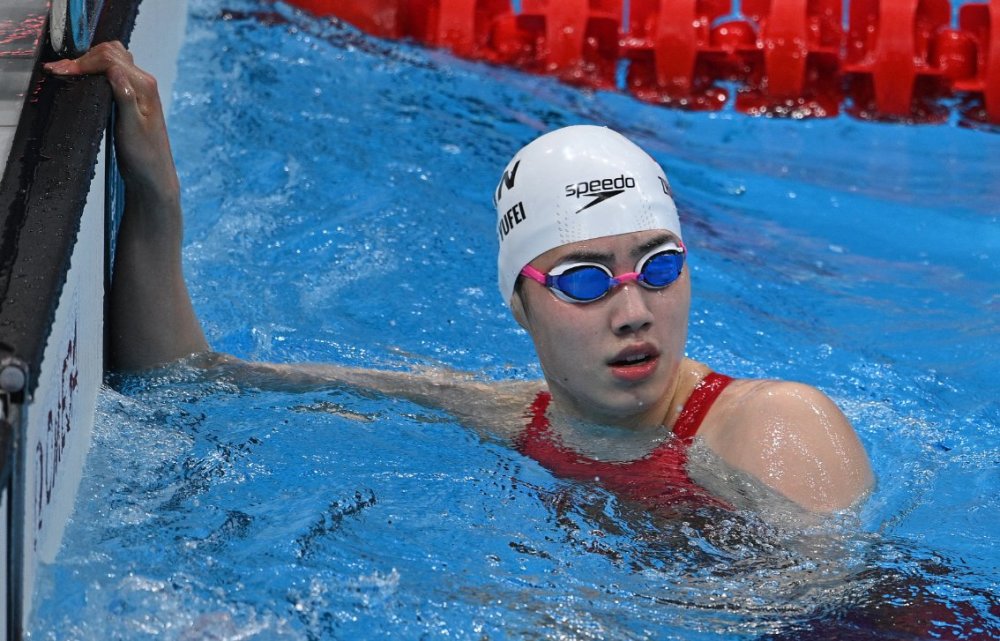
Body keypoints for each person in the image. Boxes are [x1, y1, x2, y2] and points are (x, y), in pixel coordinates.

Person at [45, 41, 873, 515]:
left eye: (660, 267)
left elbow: (821, 613)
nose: (634, 309)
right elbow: (190, 382)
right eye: (585, 280)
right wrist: (156, 195)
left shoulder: (774, 428)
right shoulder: (513, 418)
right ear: (520, 303)